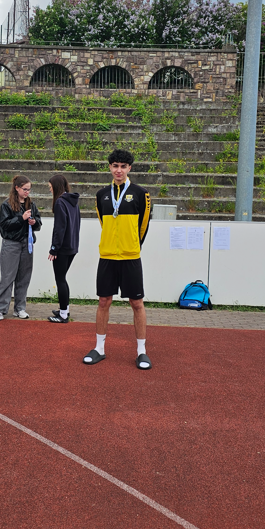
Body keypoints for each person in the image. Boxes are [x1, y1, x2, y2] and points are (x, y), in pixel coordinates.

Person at [83, 148, 152, 369]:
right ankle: (99, 348)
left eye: (123, 166)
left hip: (131, 256)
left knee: (137, 303)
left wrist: (132, 246)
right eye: (115, 166)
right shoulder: (101, 194)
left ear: (129, 168)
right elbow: (104, 224)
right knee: (103, 301)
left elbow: (143, 226)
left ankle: (141, 351)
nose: (119, 170)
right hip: (108, 256)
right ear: (110, 167)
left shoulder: (141, 194)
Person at [0, 174, 42, 321]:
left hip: (27, 243)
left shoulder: (31, 204)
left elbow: (38, 223)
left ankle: (20, 308)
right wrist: (21, 218)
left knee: (24, 277)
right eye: (25, 189)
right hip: (11, 244)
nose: (27, 192)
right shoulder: (6, 205)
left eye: (29, 189)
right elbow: (4, 226)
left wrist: (34, 222)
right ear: (17, 188)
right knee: (7, 277)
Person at [47, 174, 80, 323]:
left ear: (56, 186)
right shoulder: (72, 201)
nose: (50, 190)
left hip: (63, 248)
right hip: (72, 246)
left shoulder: (60, 202)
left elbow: (59, 228)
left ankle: (63, 314)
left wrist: (54, 248)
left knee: (60, 279)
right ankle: (64, 309)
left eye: (50, 187)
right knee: (62, 279)